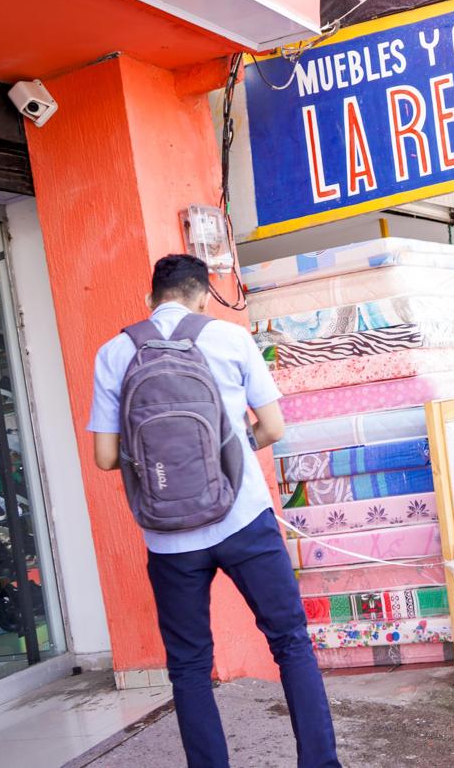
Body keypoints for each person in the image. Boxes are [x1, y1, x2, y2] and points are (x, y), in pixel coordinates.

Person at [89, 255, 340, 768]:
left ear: (150, 297)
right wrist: (228, 451)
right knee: (290, 643)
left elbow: (106, 457)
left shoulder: (114, 352)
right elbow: (273, 428)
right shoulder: (230, 339)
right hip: (243, 518)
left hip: (168, 539)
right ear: (203, 295)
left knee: (188, 667)